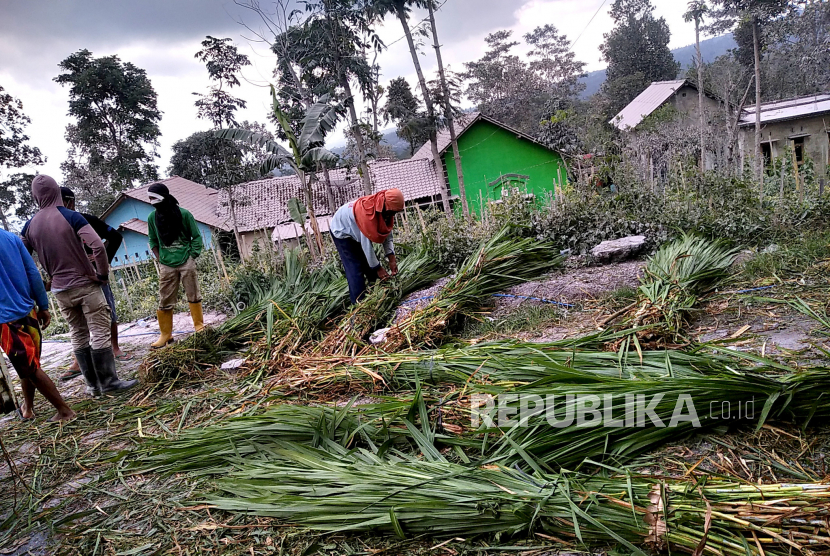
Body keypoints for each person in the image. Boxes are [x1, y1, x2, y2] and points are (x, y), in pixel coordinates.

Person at [22, 175, 136, 395]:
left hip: (60, 290)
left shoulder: (29, 226)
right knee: (99, 330)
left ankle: (92, 386)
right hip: (85, 284)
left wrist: (43, 284)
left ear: (36, 196)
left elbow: (23, 261)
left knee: (77, 332)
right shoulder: (71, 216)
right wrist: (101, 275)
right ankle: (109, 383)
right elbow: (98, 246)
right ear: (56, 191)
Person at [0, 228, 76, 422]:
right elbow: (32, 272)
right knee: (29, 363)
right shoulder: (9, 237)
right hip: (28, 310)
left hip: (5, 320)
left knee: (30, 367)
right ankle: (28, 408)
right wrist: (43, 305)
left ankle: (64, 411)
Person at [59, 187, 129, 382]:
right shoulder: (53, 227)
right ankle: (78, 362)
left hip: (94, 277)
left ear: (70, 202)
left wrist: (101, 264)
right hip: (70, 282)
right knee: (78, 324)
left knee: (107, 312)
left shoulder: (85, 220)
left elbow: (115, 237)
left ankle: (115, 349)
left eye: (61, 202)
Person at [146, 183, 205, 349]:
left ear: (162, 197)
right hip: (166, 264)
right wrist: (159, 258)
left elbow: (196, 236)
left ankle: (198, 326)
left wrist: (192, 256)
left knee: (193, 293)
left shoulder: (184, 214)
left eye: (154, 198)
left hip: (186, 260)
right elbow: (152, 240)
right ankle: (166, 334)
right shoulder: (152, 218)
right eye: (149, 198)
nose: (151, 201)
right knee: (165, 298)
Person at [330, 188, 404, 304]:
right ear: (386, 206)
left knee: (368, 263)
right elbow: (366, 245)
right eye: (392, 212)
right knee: (355, 267)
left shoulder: (385, 211)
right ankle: (358, 304)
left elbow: (387, 235)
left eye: (395, 213)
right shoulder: (367, 214)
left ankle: (374, 291)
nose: (393, 215)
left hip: (354, 228)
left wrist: (392, 258)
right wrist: (378, 268)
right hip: (341, 229)